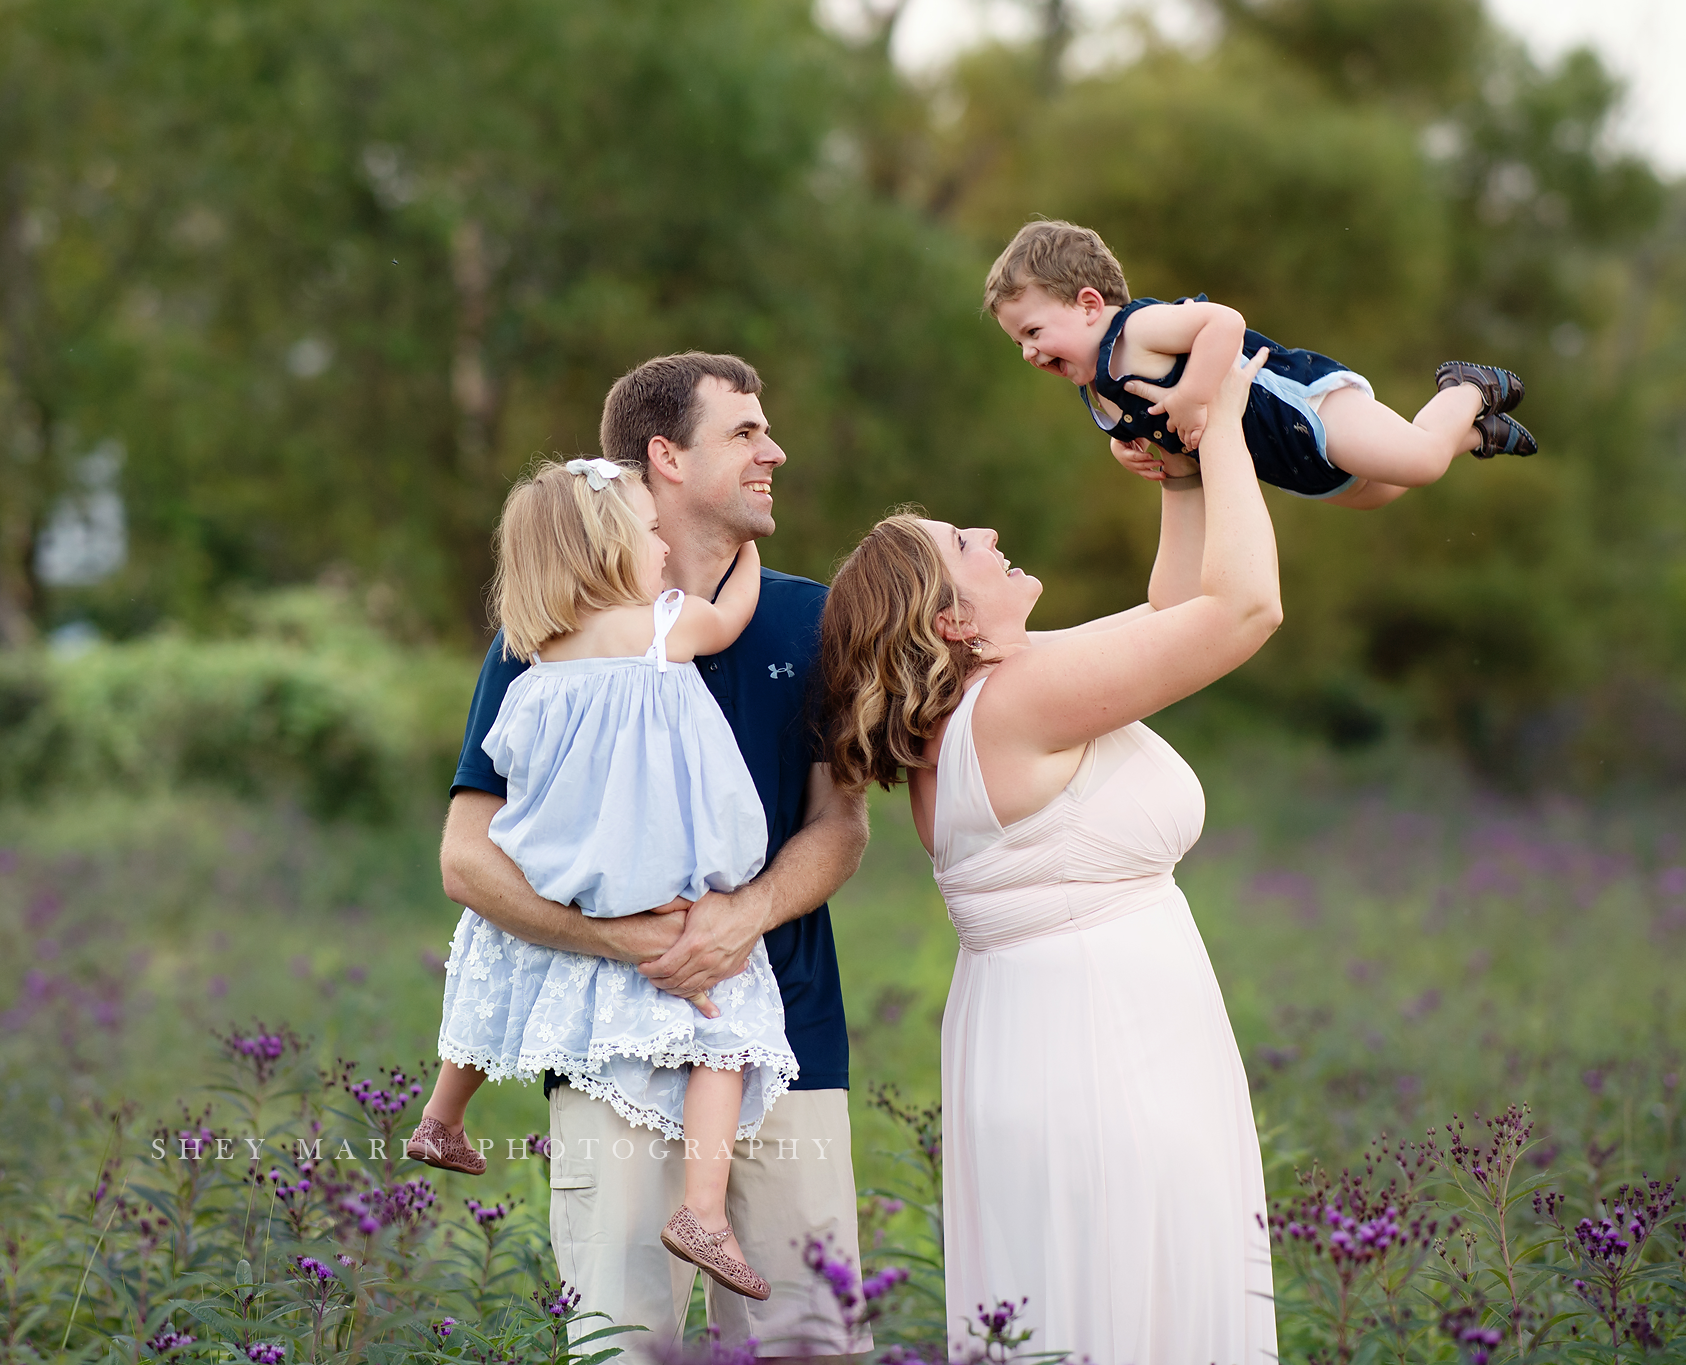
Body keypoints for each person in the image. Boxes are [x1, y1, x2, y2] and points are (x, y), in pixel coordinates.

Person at [815, 348, 1285, 1362]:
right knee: (1129, 1300)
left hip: (1064, 1033)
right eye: (961, 542)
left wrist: (1185, 475)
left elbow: (1175, 614)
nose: (986, 532)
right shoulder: (1022, 701)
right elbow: (1242, 611)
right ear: (953, 618)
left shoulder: (996, 694)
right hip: (1100, 1048)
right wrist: (1229, 419)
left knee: (1101, 1300)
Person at [437, 353, 873, 1359]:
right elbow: (466, 860)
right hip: (608, 1050)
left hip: (782, 1035)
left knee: (807, 1339)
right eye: (746, 433)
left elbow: (840, 826)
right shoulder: (541, 627)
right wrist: (622, 942)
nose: (775, 450)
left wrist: (742, 916)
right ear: (664, 457)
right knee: (621, 1341)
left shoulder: (814, 619)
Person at [407, 459, 793, 1303]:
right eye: (650, 531)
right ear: (613, 552)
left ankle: (441, 1115)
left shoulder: (536, 651)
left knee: (490, 973)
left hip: (565, 869)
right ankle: (703, 1211)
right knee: (726, 1028)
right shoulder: (660, 628)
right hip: (652, 872)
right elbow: (730, 617)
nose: (662, 543)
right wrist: (745, 552)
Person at [985, 218, 1536, 510]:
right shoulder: (1099, 391)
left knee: (1417, 462)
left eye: (1033, 333)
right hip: (1286, 456)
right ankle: (1475, 435)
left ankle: (1466, 388)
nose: (1031, 353)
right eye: (1017, 345)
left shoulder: (1135, 330)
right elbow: (1150, 422)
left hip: (1306, 405)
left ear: (1087, 306)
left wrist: (1194, 394)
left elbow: (1222, 322)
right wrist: (1123, 444)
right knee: (1379, 493)